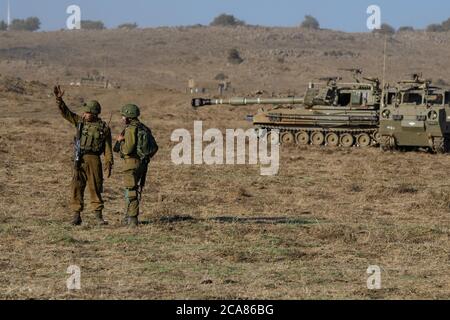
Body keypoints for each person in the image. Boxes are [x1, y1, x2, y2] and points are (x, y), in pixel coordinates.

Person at [54, 85, 113, 226]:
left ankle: (98, 217)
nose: (84, 114)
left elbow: (108, 148)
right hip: (79, 158)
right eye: (84, 112)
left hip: (94, 159)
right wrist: (59, 100)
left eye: (87, 112)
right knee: (76, 186)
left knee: (95, 187)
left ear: (94, 113)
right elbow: (66, 113)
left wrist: (108, 163)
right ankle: (76, 215)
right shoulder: (80, 122)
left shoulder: (104, 128)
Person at [114, 104, 158, 228]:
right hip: (142, 164)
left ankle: (132, 219)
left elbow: (128, 149)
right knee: (134, 189)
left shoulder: (130, 129)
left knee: (130, 190)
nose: (122, 118)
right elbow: (154, 148)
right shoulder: (144, 128)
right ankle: (129, 215)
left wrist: (120, 141)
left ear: (129, 116)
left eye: (124, 116)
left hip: (131, 164)